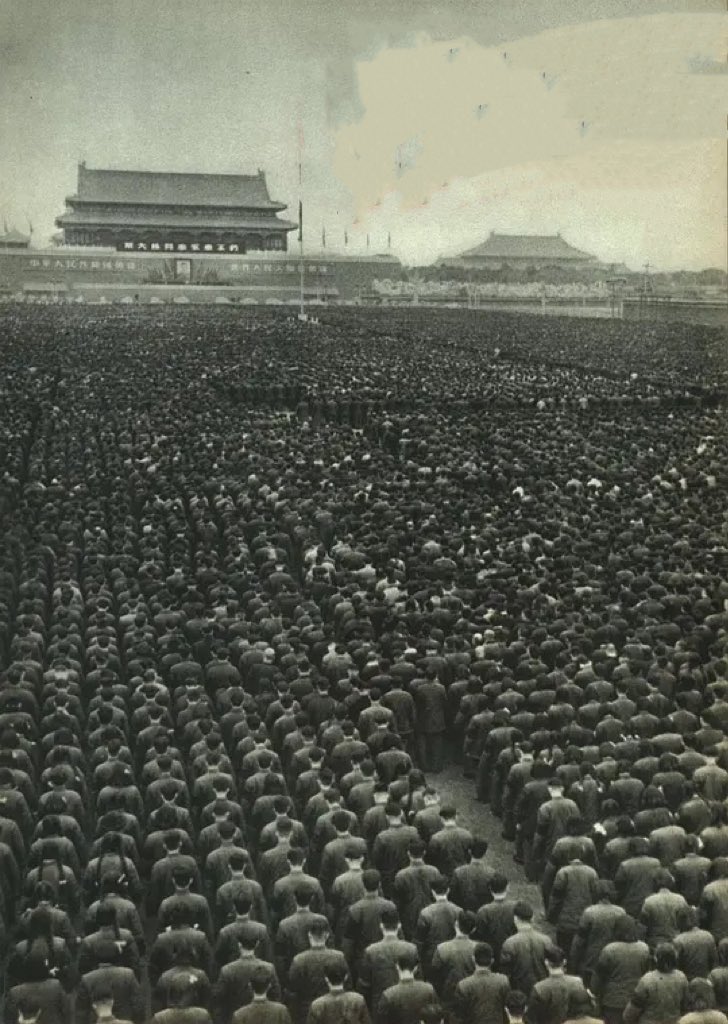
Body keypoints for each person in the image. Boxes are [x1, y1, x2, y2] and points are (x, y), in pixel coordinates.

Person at [623, 943, 689, 1024]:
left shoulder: (647, 979)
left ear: (656, 959)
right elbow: (685, 1006)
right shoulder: (682, 978)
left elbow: (632, 1011)